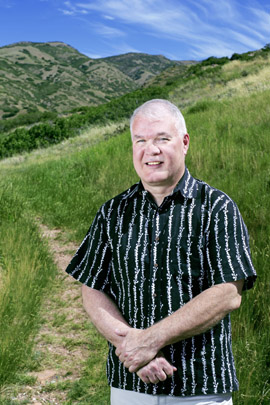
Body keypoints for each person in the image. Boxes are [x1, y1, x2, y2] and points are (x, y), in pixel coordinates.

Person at [66, 99, 257, 405]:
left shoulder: (218, 208)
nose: (150, 150)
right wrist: (133, 350)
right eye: (140, 140)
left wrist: (150, 341)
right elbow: (91, 287)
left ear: (184, 143)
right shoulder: (113, 212)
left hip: (200, 388)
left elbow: (227, 293)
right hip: (129, 385)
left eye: (161, 139)